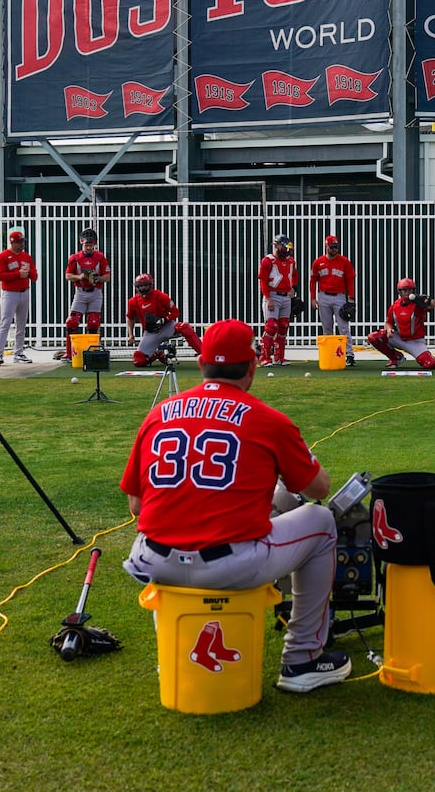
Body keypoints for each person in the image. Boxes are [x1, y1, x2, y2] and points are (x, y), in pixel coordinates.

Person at [120, 318, 352, 693]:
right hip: (229, 563)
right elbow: (319, 488)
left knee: (271, 506)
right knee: (321, 520)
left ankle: (176, 660)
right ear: (252, 365)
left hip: (154, 562)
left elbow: (135, 506)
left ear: (201, 364)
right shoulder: (266, 419)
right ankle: (302, 659)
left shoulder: (159, 413)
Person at [124, 273, 204, 367]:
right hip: (151, 333)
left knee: (184, 327)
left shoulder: (161, 296)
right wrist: (130, 334)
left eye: (145, 285)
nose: (143, 288)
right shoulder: (132, 302)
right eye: (140, 286)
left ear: (151, 285)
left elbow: (176, 312)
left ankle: (205, 355)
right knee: (139, 361)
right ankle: (157, 354)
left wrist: (164, 320)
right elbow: (130, 318)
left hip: (167, 327)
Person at [60, 227, 111, 362]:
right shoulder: (75, 258)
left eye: (91, 245)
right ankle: (70, 353)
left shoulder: (100, 258)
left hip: (95, 292)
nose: (88, 248)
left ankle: (91, 352)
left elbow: (107, 277)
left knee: (94, 322)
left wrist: (96, 279)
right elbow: (68, 275)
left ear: (94, 244)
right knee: (72, 322)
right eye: (86, 245)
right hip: (81, 292)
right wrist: (80, 277)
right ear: (82, 244)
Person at [365, 277, 435, 369]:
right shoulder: (395, 305)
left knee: (430, 364)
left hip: (415, 342)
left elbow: (433, 305)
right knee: (373, 337)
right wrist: (389, 329)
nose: (407, 292)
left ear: (413, 290)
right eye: (404, 290)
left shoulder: (418, 305)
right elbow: (389, 322)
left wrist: (427, 300)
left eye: (409, 289)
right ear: (399, 291)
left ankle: (431, 358)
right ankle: (396, 357)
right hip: (400, 338)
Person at [309, 234, 357, 367]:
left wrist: (351, 298)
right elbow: (313, 280)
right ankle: (330, 355)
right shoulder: (318, 262)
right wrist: (313, 298)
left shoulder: (344, 261)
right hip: (323, 296)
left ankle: (349, 354)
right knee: (327, 328)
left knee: (343, 327)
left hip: (339, 296)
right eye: (332, 247)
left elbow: (350, 280)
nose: (334, 249)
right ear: (326, 247)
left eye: (336, 247)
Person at [0, 229, 37, 365]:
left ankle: (19, 353)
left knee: (21, 324)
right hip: (9, 293)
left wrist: (28, 273)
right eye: (19, 242)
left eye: (22, 242)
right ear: (13, 242)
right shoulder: (3, 256)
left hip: (24, 291)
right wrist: (17, 274)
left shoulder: (26, 257)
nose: (22, 244)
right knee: (5, 323)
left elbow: (35, 276)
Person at [257, 233, 300, 367]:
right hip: (273, 296)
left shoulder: (291, 261)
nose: (287, 249)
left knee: (283, 327)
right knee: (271, 326)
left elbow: (294, 275)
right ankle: (264, 356)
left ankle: (279, 356)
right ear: (277, 245)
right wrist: (268, 298)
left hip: (286, 296)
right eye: (284, 246)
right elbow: (263, 281)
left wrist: (293, 288)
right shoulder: (268, 261)